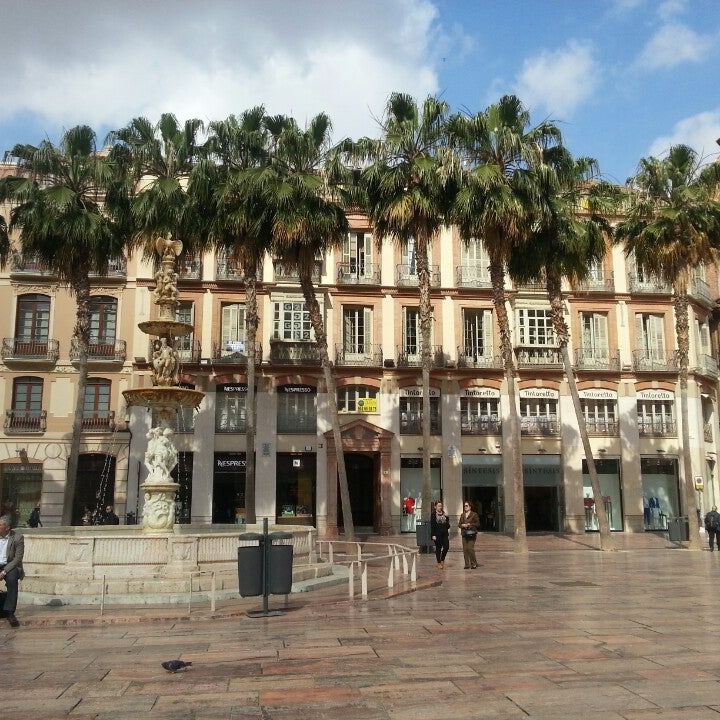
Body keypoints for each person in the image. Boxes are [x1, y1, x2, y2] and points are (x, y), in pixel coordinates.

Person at [0, 514, 23, 627]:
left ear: (7, 527)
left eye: (0, 525)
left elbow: (18, 558)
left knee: (12, 579)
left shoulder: (18, 537)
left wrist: (4, 572)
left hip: (10, 565)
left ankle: (10, 613)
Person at [458, 501, 480, 569]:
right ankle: (467, 564)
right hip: (464, 534)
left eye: (466, 506)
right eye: (464, 506)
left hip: (471, 534)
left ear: (470, 507)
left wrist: (469, 525)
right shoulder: (462, 515)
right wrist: (462, 525)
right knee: (465, 549)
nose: (465, 507)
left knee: (470, 548)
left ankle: (474, 563)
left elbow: (477, 524)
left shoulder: (474, 514)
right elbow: (459, 524)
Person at [430, 500, 451, 570]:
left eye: (441, 506)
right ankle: (439, 562)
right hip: (437, 534)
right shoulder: (433, 515)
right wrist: (433, 535)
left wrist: (447, 518)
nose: (440, 507)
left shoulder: (444, 514)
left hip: (445, 534)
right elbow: (432, 526)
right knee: (438, 548)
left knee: (446, 547)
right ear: (435, 507)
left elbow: (448, 526)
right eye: (438, 506)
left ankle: (442, 560)